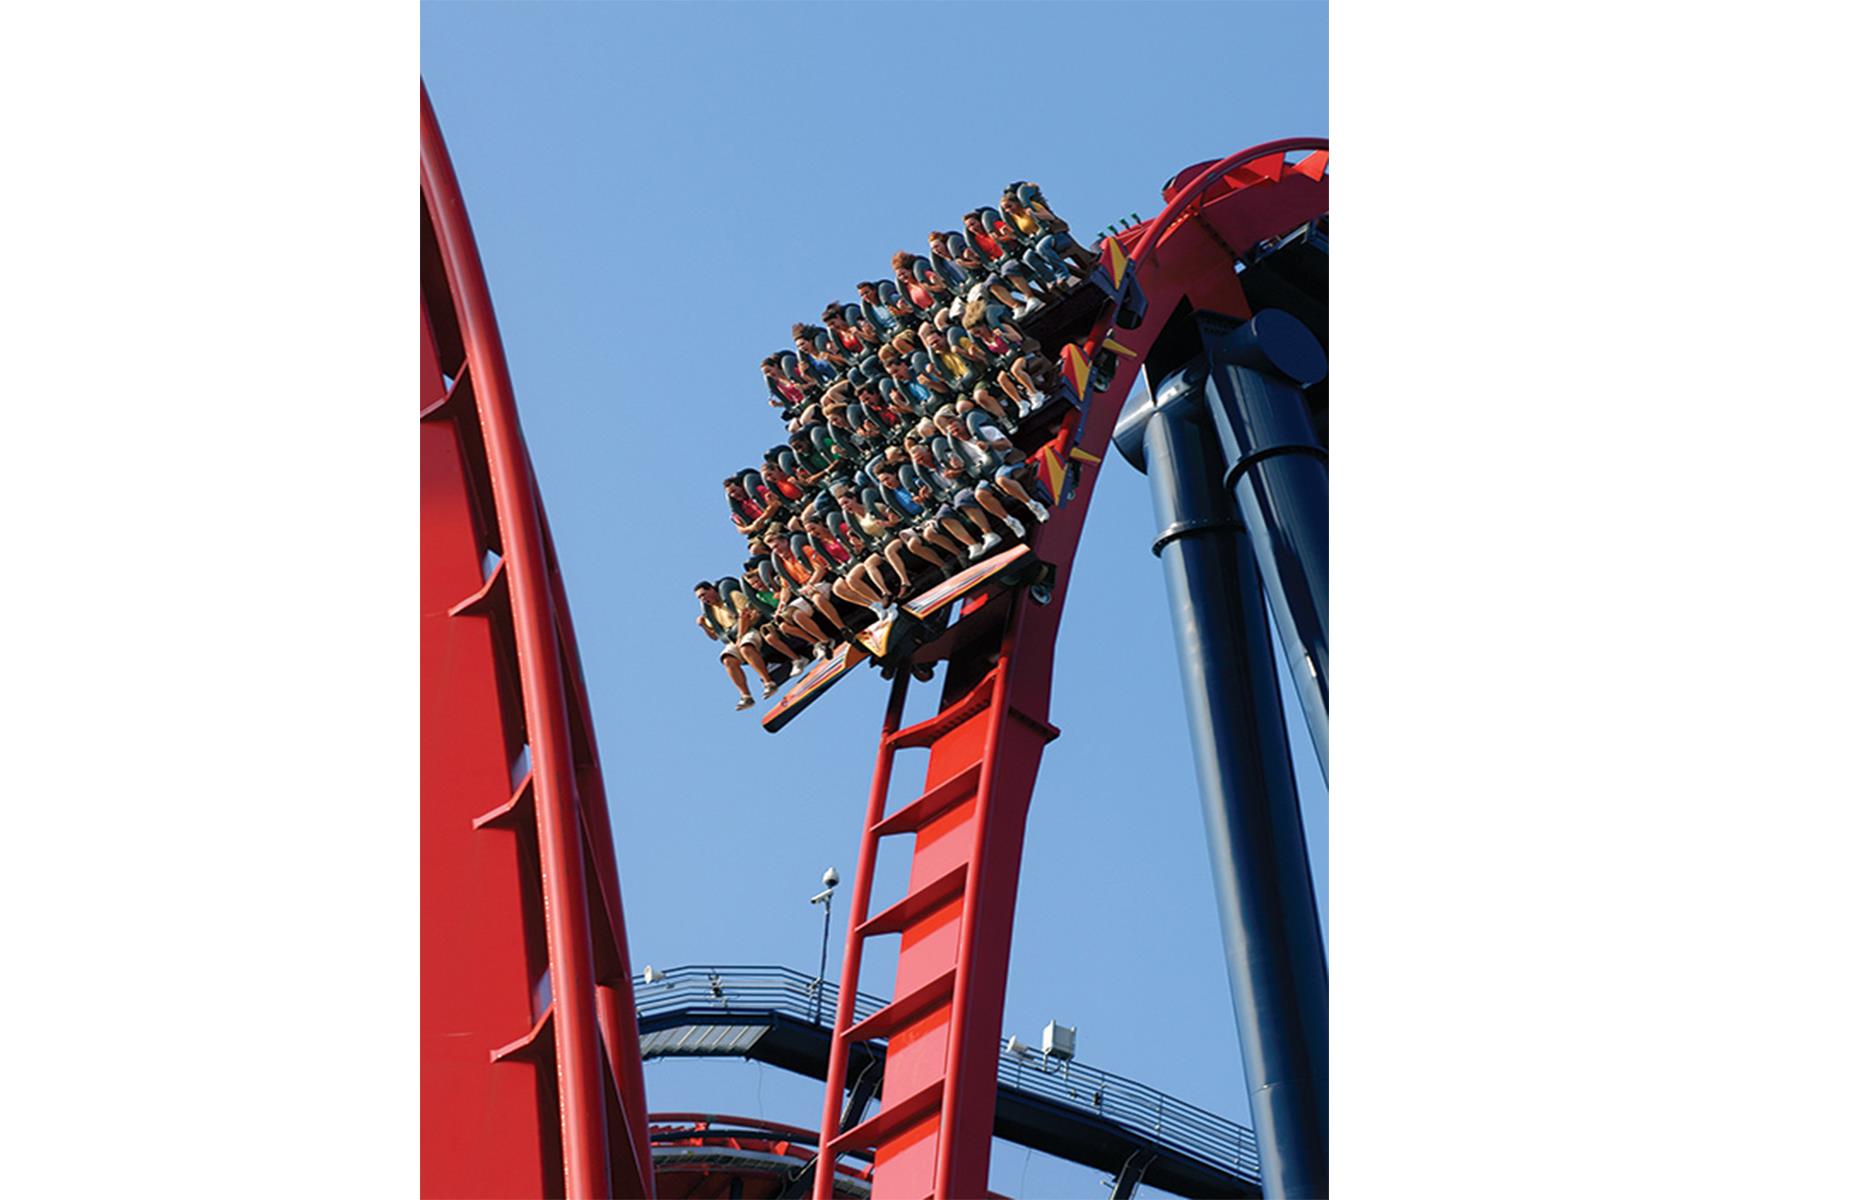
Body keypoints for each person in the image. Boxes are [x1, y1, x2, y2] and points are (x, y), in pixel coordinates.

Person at [694, 578, 779, 710]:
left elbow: (747, 614)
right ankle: (746, 696)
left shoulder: (732, 596)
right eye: (700, 598)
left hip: (752, 628)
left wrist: (740, 636)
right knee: (727, 659)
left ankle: (769, 683)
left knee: (745, 647)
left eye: (704, 595)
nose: (703, 599)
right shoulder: (712, 611)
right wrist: (704, 626)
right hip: (735, 638)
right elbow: (715, 637)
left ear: (712, 590)